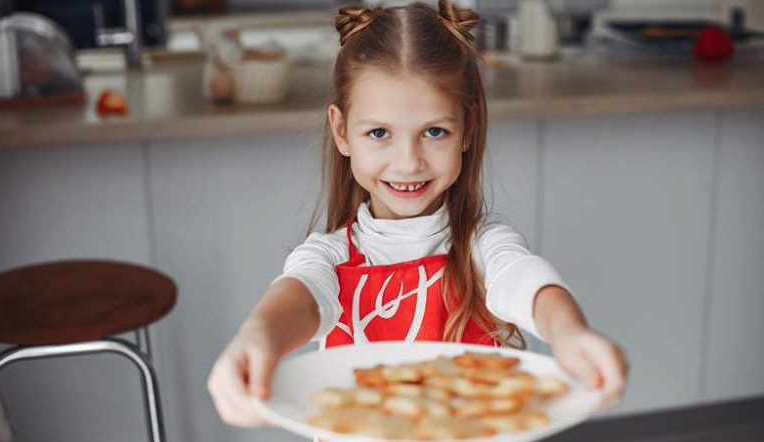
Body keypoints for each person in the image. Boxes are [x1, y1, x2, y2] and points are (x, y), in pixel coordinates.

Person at [207, 0, 629, 427]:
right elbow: (298, 295)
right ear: (342, 132)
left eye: (434, 132)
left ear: (468, 129)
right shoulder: (330, 257)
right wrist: (256, 336)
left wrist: (568, 331)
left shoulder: (482, 244)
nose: (408, 163)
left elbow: (524, 279)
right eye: (379, 133)